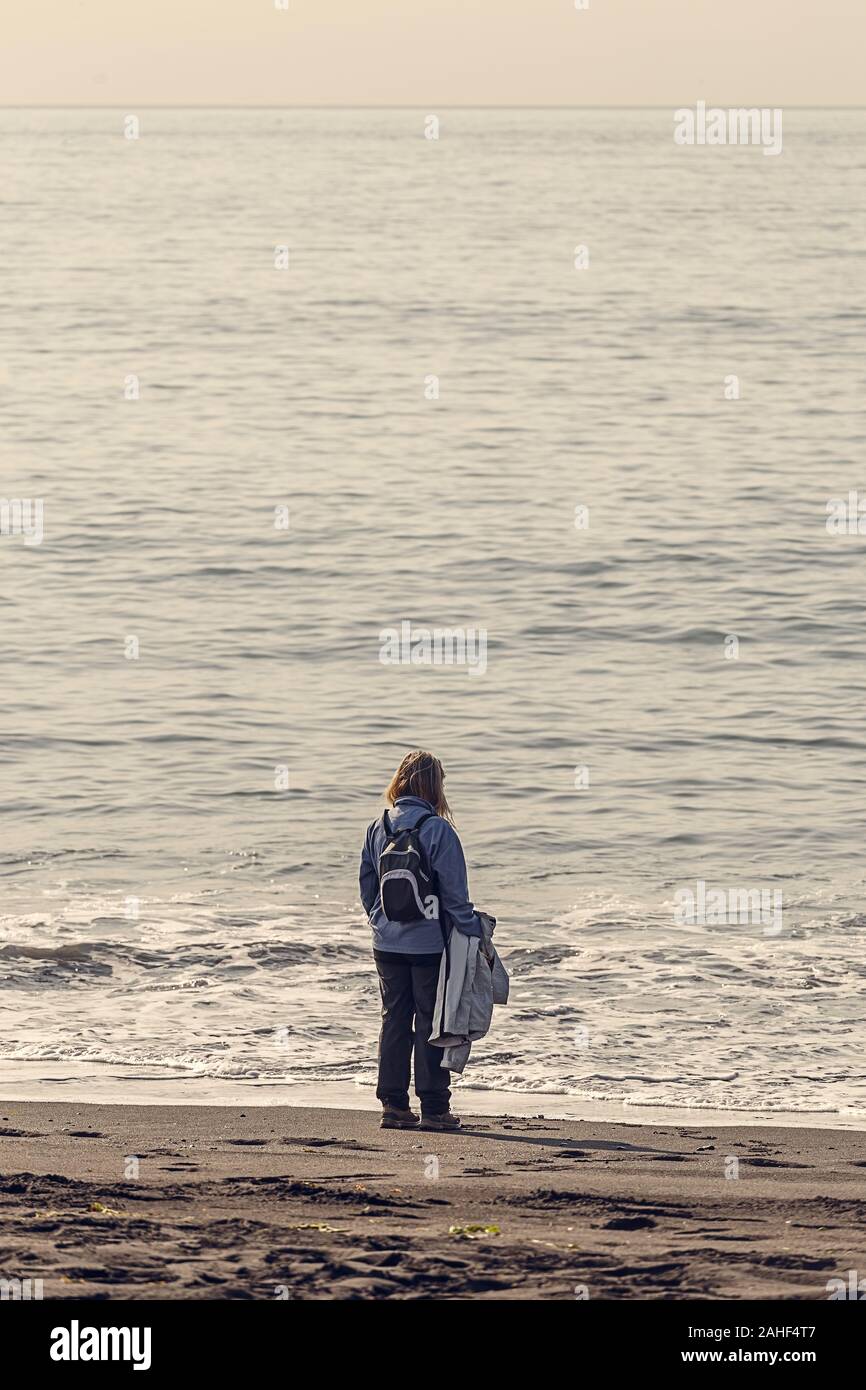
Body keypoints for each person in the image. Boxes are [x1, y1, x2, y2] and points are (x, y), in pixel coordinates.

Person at [359, 750, 481, 1130]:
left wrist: (380, 921)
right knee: (432, 1023)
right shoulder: (438, 830)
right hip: (428, 945)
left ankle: (393, 1106)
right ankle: (434, 1110)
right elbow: (455, 896)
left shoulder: (378, 826)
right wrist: (472, 929)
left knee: (394, 1020)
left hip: (386, 944)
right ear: (434, 786)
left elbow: (367, 887)